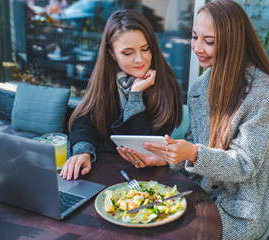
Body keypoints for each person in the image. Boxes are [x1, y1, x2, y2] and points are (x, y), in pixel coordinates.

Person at [118, 1, 269, 239]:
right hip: (199, 193)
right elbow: (193, 143)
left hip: (239, 213)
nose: (197, 48)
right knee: (137, 218)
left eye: (209, 41)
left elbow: (243, 164)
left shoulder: (265, 94)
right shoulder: (201, 86)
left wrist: (192, 153)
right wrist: (163, 159)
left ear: (234, 41)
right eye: (194, 37)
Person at [60, 9, 183, 181]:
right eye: (128, 53)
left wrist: (135, 96)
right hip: (106, 166)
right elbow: (85, 119)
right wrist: (83, 151)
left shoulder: (167, 85)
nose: (139, 59)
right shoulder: (106, 76)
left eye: (145, 49)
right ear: (112, 54)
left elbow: (145, 146)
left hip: (148, 175)